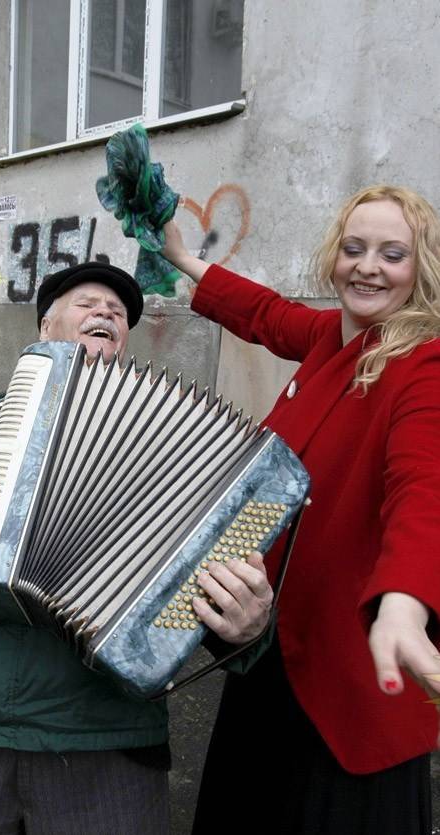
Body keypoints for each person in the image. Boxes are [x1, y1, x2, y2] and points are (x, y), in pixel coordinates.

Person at [0, 262, 276, 834]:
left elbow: (210, 591)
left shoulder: (177, 437)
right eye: (88, 303)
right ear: (45, 329)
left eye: (118, 313)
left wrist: (249, 630)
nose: (106, 313)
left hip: (105, 732)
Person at [160, 185, 440, 834]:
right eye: (354, 248)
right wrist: (182, 257)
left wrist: (403, 602)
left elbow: (422, 488)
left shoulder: (420, 363)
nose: (367, 266)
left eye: (391, 254)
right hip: (271, 656)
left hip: (351, 687)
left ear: (419, 267)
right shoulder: (327, 338)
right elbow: (263, 312)